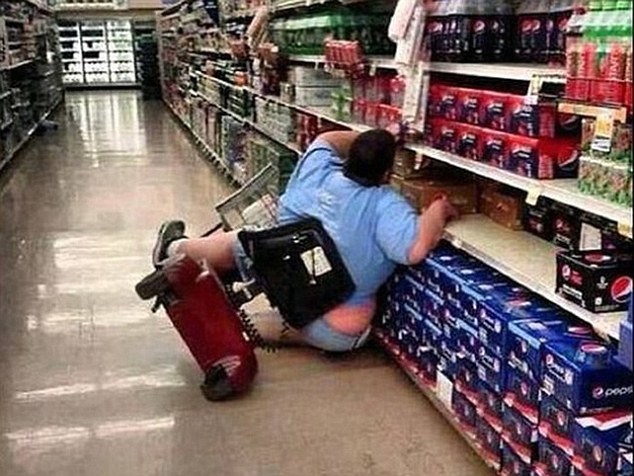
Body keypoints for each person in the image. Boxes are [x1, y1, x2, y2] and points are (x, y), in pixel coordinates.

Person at [152, 129, 458, 352]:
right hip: (338, 333)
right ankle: (271, 328)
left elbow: (326, 139)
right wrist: (439, 208)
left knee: (246, 240)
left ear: (349, 157)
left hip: (287, 283)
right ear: (388, 174)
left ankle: (175, 248)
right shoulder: (386, 205)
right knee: (325, 298)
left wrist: (376, 136)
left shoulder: (319, 170)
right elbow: (416, 249)